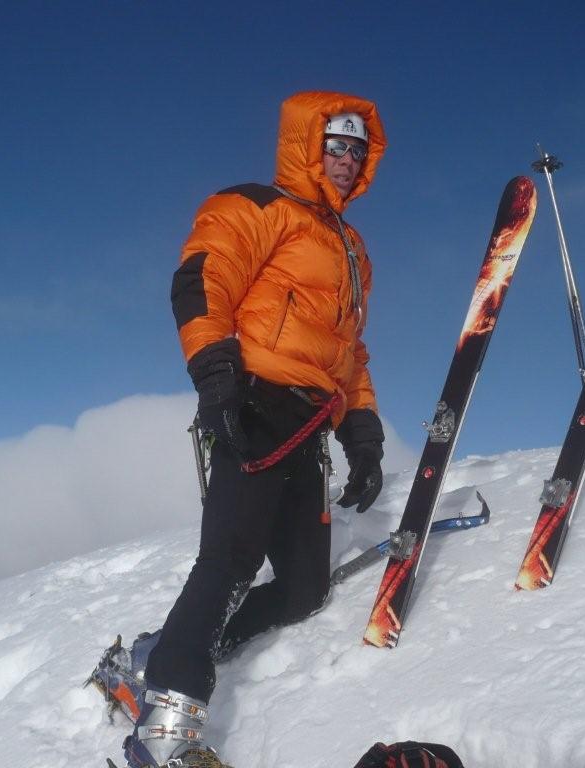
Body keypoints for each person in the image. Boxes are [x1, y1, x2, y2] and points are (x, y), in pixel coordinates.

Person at [96, 90, 388, 768]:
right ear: (308, 145)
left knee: (303, 591)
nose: (347, 159)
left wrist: (363, 433)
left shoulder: (352, 250)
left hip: (309, 425)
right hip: (251, 404)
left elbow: (350, 353)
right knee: (230, 562)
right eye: (336, 145)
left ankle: (160, 655)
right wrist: (215, 372)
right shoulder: (256, 206)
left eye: (358, 149)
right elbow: (202, 279)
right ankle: (165, 730)